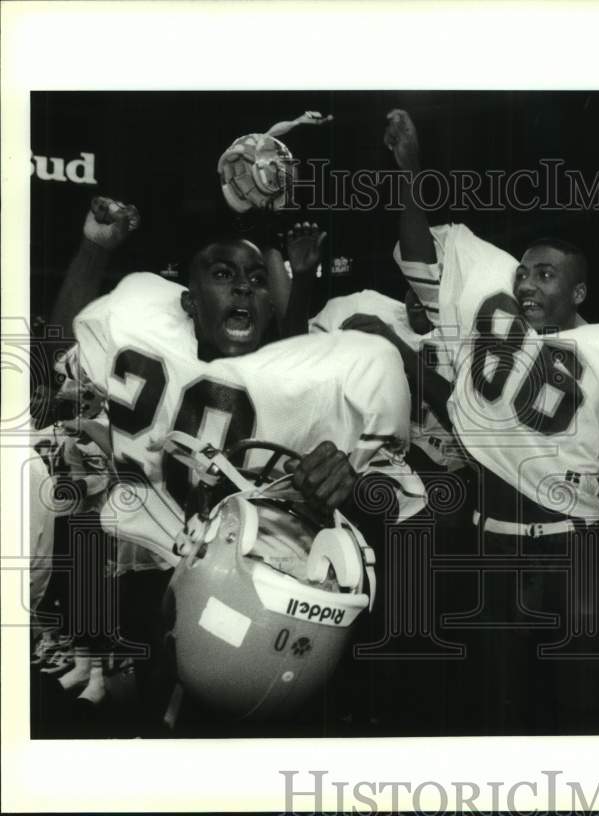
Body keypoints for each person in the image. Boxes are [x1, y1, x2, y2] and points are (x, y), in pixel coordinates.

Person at [345, 108, 599, 734]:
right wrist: (410, 173)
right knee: (495, 704)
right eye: (523, 272)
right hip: (492, 542)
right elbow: (425, 261)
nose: (527, 283)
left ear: (579, 293)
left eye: (545, 274)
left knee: (583, 709)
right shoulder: (497, 344)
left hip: (574, 552)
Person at [52, 202, 423, 734]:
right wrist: (96, 246)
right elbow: (59, 350)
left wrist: (353, 478)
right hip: (138, 578)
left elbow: (402, 496)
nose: (244, 289)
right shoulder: (143, 341)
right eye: (224, 275)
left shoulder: (310, 380)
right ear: (189, 299)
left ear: (272, 304)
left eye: (255, 279)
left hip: (243, 596)